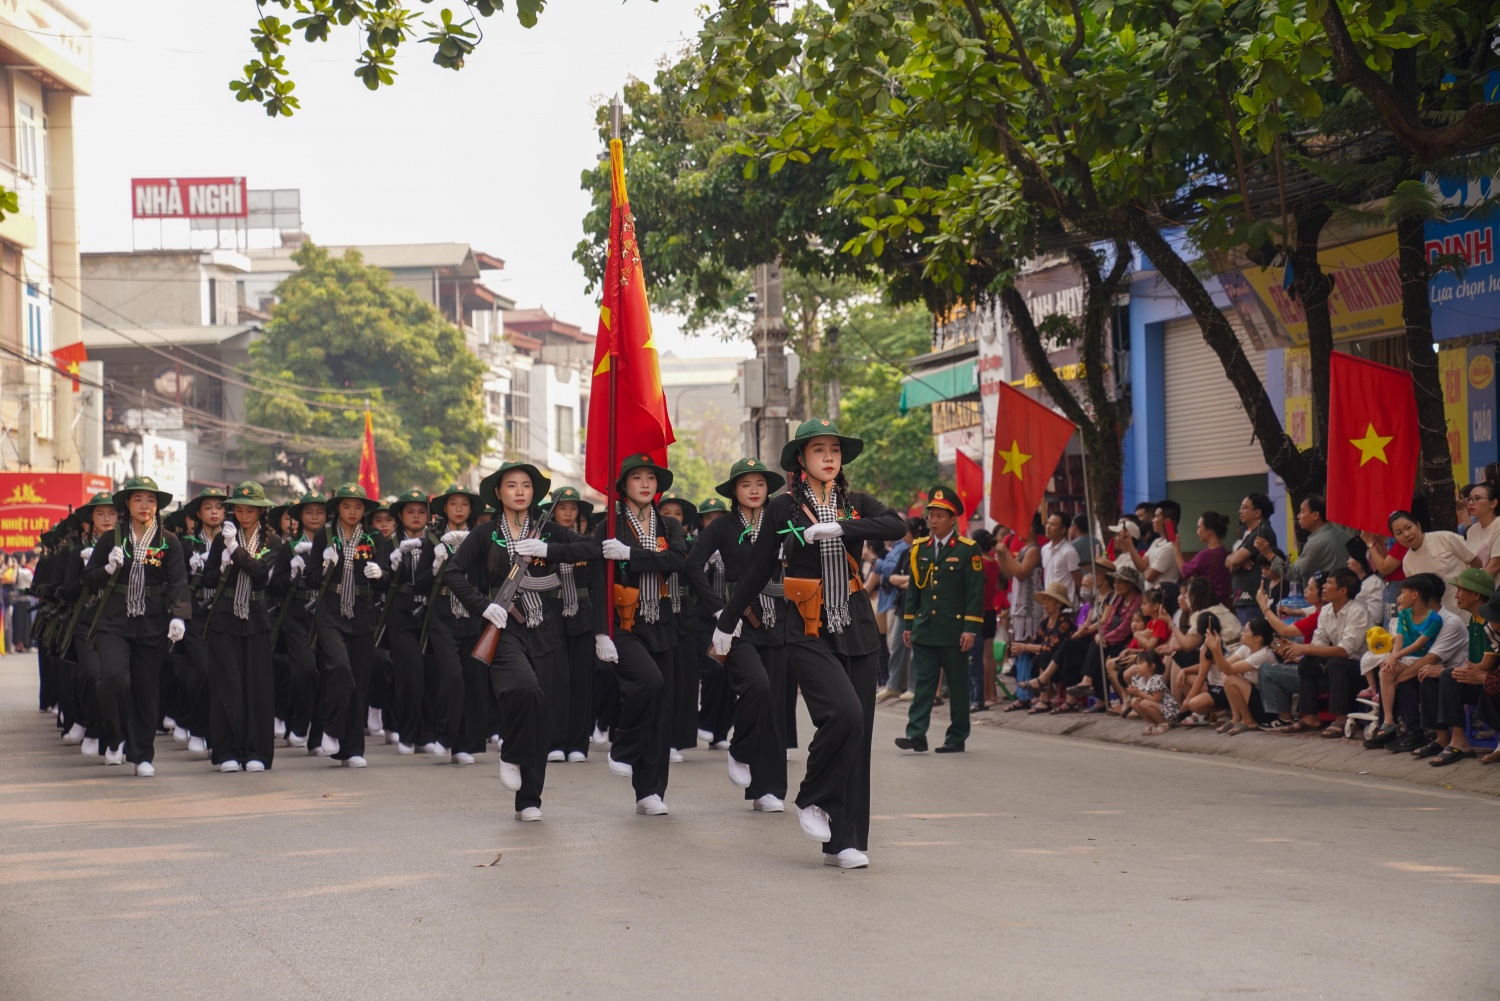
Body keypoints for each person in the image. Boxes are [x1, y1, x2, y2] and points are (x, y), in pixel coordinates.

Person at [713, 419, 904, 869]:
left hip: (856, 626)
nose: (829, 457)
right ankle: (811, 797)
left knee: (859, 734)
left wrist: (841, 529)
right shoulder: (783, 509)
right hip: (807, 627)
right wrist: (726, 620)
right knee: (843, 714)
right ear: (802, 458)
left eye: (834, 449)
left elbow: (897, 523)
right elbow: (758, 568)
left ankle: (845, 842)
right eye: (819, 450)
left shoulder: (855, 504)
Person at [445, 461, 599, 820]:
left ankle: (529, 800)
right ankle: (511, 751)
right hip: (504, 628)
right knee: (521, 690)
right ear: (498, 493)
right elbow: (452, 573)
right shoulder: (486, 534)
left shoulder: (550, 532)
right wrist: (484, 607)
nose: (518, 491)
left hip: (545, 628)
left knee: (541, 713)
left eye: (526, 485)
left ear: (534, 493)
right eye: (510, 485)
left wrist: (551, 551)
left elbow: (592, 550)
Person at [685, 456, 790, 812]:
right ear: (735, 491)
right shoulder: (723, 526)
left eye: (760, 484)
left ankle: (767, 789)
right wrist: (718, 609)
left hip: (780, 619)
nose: (755, 490)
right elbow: (691, 565)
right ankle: (740, 749)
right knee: (756, 686)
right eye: (746, 485)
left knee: (775, 704)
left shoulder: (782, 520)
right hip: (739, 622)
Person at [593, 453, 689, 816]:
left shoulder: (669, 526)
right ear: (623, 486)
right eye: (637, 478)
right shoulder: (610, 527)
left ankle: (650, 791)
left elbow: (678, 561)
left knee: (662, 710)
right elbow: (597, 580)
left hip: (662, 620)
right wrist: (601, 632)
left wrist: (632, 555)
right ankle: (624, 746)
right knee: (648, 683)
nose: (646, 483)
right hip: (625, 623)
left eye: (651, 478)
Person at [81, 476, 191, 777]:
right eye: (139, 499)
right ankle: (115, 737)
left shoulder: (168, 541)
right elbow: (89, 580)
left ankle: (142, 754)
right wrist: (106, 568)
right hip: (114, 620)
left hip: (152, 621)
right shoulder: (112, 539)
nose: (145, 506)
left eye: (151, 500)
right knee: (114, 680)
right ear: (127, 505)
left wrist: (179, 616)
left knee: (146, 689)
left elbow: (178, 582)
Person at [304, 484, 390, 768]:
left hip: (363, 613)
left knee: (360, 683)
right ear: (337, 509)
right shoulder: (324, 536)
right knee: (340, 669)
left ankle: (353, 748)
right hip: (330, 612)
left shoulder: (374, 536)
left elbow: (387, 580)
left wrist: (380, 574)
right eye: (346, 506)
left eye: (358, 507)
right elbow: (310, 580)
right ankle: (330, 730)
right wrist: (325, 566)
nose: (352, 512)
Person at [200, 481, 284, 773]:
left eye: (251, 510)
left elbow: (260, 573)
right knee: (228, 685)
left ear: (261, 512)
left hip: (256, 616)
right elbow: (208, 579)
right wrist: (220, 564)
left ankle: (257, 751)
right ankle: (227, 752)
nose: (244, 515)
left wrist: (235, 550)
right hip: (225, 616)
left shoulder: (273, 542)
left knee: (257, 686)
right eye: (239, 509)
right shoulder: (221, 538)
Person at [895, 486, 985, 754]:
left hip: (954, 630)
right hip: (925, 628)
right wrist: (909, 624)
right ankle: (916, 734)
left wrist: (970, 629)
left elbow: (975, 593)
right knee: (923, 682)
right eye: (930, 516)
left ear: (952, 518)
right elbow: (915, 590)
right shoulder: (920, 548)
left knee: (958, 686)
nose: (932, 521)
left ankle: (956, 737)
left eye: (939, 516)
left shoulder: (969, 550)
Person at [412, 483, 486, 760]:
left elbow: (489, 576)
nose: (458, 509)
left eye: (464, 504)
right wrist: (434, 568)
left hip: (473, 613)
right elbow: (418, 585)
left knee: (473, 679)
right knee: (452, 676)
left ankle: (465, 745)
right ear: (445, 508)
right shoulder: (433, 540)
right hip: (442, 612)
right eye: (453, 504)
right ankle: (444, 735)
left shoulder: (480, 537)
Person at [1267, 567, 1370, 737]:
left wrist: (1305, 648)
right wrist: (1296, 651)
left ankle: (1341, 719)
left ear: (1342, 591)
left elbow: (1344, 651)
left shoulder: (1358, 612)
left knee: (1336, 662)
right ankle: (1310, 717)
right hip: (1337, 662)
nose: (1324, 587)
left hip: (1361, 669)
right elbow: (1318, 644)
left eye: (1329, 583)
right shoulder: (1326, 611)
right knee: (1309, 662)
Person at [541, 485, 597, 763]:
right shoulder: (540, 541)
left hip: (582, 614)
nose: (567, 513)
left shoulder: (586, 542)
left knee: (581, 680)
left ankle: (578, 743)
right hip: (551, 612)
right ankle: (554, 741)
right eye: (562, 507)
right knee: (555, 679)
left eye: (573, 508)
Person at [1418, 568, 1495, 765]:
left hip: (1491, 683)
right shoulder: (1473, 619)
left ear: (1476, 594)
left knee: (1447, 675)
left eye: (1461, 590)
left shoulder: (1491, 620)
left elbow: (1485, 666)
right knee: (1428, 676)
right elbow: (1472, 664)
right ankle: (1441, 737)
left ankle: (1460, 741)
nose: (1457, 595)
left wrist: (1446, 670)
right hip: (1479, 679)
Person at [270, 491, 327, 751]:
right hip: (296, 615)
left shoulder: (334, 545)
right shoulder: (289, 547)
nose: (314, 516)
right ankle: (300, 720)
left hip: (327, 613)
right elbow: (275, 586)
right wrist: (291, 573)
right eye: (309, 512)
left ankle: (316, 737)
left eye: (320, 511)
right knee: (305, 670)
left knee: (327, 675)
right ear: (300, 517)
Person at [381, 488, 432, 754]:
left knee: (429, 674)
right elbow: (380, 582)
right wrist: (387, 569)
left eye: (421, 512)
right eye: (410, 512)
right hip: (400, 613)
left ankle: (426, 733)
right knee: (409, 674)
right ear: (400, 515)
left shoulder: (435, 541)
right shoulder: (388, 543)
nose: (416, 516)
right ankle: (406, 733)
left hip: (429, 614)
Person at [658, 489, 702, 763]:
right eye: (666, 514)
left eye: (677, 514)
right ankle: (659, 735)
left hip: (684, 614)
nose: (672, 518)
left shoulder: (693, 544)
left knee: (685, 678)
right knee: (661, 679)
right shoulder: (648, 541)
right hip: (657, 611)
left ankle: (679, 738)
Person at [1390, 509, 1479, 621]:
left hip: (1470, 612)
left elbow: (1476, 562)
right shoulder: (1407, 562)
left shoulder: (1445, 538)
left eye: (1408, 527)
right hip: (1441, 621)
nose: (1406, 534)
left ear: (1418, 525)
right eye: (1399, 533)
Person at [874, 516, 924, 700]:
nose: (903, 535)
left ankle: (912, 686)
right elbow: (893, 578)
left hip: (920, 605)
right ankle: (893, 685)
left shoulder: (923, 551)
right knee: (896, 645)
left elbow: (919, 581)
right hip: (902, 604)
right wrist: (906, 581)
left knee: (914, 649)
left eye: (906, 531)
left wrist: (904, 581)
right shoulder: (905, 553)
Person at [1007, 582, 1076, 711]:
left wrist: (1025, 647)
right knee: (1025, 653)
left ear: (1059, 603)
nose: (1045, 603)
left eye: (1049, 600)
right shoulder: (1045, 622)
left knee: (1043, 654)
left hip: (1064, 662)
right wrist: (1020, 647)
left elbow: (1052, 647)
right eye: (1044, 599)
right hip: (1051, 658)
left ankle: (1044, 699)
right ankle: (1024, 697)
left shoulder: (1064, 621)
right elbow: (1035, 641)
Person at [1208, 617, 1278, 734]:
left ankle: (1249, 721)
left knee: (1230, 678)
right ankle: (1236, 718)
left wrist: (1215, 650)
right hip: (1255, 700)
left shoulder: (1264, 654)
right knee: (1228, 677)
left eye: (1245, 630)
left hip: (1268, 708)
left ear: (1258, 638)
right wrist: (1215, 648)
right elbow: (1224, 667)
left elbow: (1226, 668)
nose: (1242, 633)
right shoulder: (1246, 648)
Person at [1266, 495, 1351, 584]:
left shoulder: (1316, 543)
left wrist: (1269, 554)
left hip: (1326, 594)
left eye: (1302, 512)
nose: (1298, 516)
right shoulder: (1342, 534)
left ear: (1315, 515)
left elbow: (1293, 573)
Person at [1226, 493, 1277, 624]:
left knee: (1253, 640)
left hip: (1253, 599)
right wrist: (1238, 560)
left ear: (1257, 512)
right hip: (1247, 600)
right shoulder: (1252, 533)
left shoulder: (1262, 531)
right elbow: (1229, 562)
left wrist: (1238, 560)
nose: (1240, 511)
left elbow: (1234, 561)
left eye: (1244, 508)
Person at [1174, 511, 1231, 606]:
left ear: (1210, 530)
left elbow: (1184, 571)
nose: (1197, 532)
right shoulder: (1223, 551)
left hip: (1208, 604)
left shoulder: (1206, 554)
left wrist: (1176, 548)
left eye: (1199, 527)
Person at [1464, 483, 1500, 576]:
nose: (1471, 503)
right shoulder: (1472, 530)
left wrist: (1474, 589)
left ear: (1493, 503)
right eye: (1469, 499)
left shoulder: (1498, 524)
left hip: (1491, 587)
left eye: (1477, 498)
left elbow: (1495, 566)